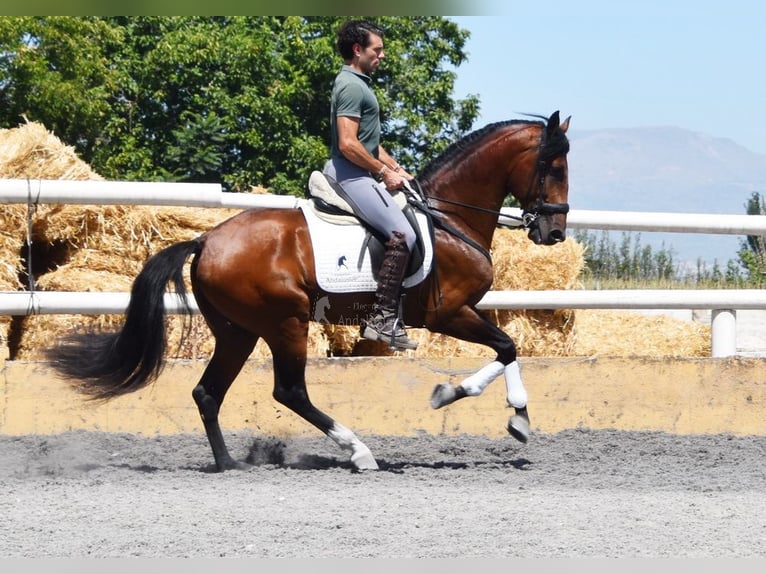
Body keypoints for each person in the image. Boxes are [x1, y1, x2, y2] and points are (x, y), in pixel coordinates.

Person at [323, 19, 418, 351]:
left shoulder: (359, 84)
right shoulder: (350, 85)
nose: (382, 55)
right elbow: (349, 145)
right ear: (357, 49)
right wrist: (382, 173)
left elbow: (369, 142)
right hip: (349, 175)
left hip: (361, 171)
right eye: (377, 50)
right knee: (403, 234)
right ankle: (381, 318)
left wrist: (396, 168)